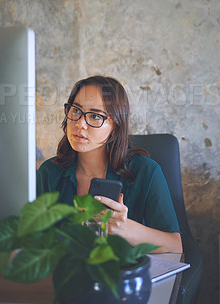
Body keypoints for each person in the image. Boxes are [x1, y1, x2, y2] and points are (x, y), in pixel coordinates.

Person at [37, 75, 182, 254]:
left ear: (116, 126)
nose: (80, 124)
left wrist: (124, 229)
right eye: (76, 110)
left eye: (95, 116)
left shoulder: (147, 171)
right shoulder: (49, 172)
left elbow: (175, 246)